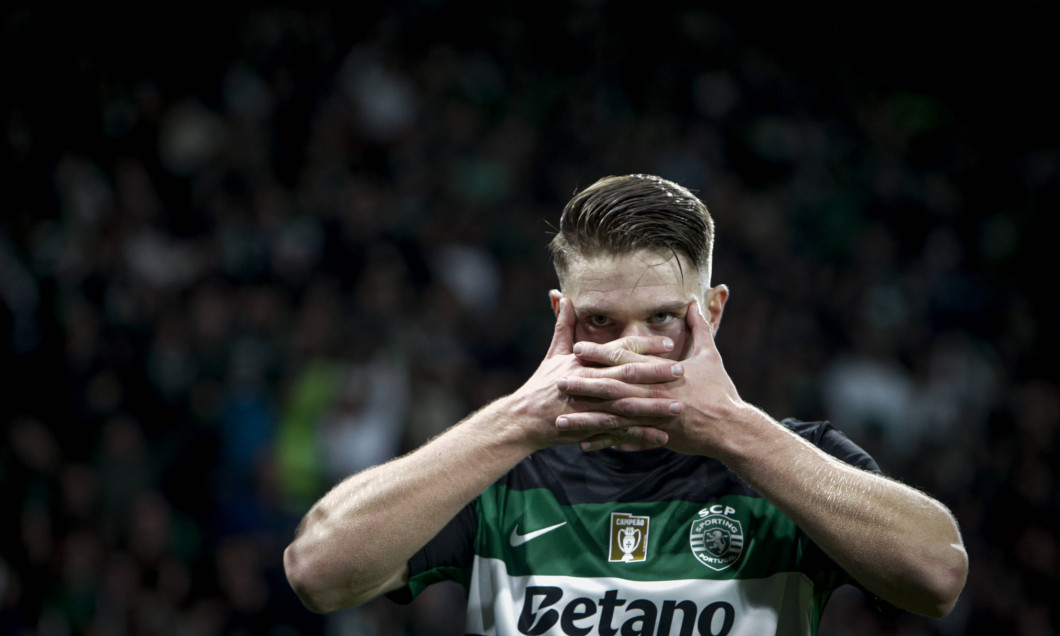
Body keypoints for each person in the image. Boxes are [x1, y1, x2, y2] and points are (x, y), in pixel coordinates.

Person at [283, 174, 968, 634]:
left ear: (713, 313)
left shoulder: (788, 463)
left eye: (664, 318)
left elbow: (938, 576)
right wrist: (517, 422)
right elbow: (318, 570)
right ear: (561, 315)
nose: (635, 350)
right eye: (602, 321)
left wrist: (736, 432)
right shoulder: (498, 470)